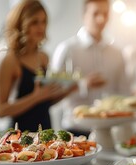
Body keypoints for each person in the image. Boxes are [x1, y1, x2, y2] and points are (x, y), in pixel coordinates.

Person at [0, 0, 71, 132]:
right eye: (34, 22)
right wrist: (37, 96)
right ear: (21, 24)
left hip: (45, 132)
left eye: (43, 21)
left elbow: (44, 103)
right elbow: (1, 110)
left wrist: (71, 89)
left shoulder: (43, 57)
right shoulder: (8, 60)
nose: (41, 27)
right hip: (20, 137)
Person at [51, 0, 126, 135]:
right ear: (84, 15)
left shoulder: (117, 53)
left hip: (109, 128)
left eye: (105, 14)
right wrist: (82, 84)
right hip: (75, 128)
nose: (101, 19)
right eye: (95, 13)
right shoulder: (67, 49)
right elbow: (53, 90)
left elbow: (123, 91)